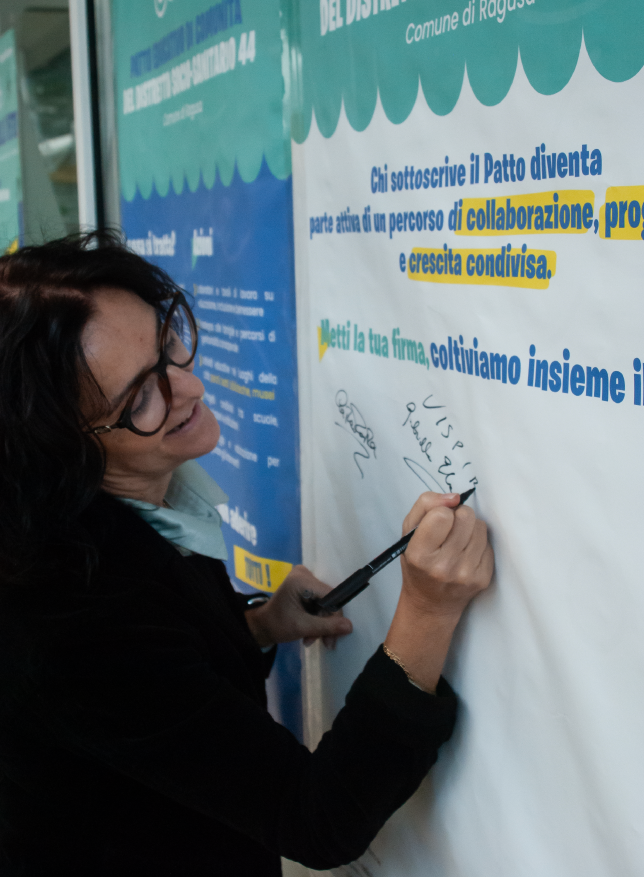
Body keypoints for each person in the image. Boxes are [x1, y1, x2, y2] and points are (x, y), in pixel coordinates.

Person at [0, 232, 494, 876]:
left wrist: (255, 624)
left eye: (168, 343)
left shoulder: (125, 509)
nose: (190, 385)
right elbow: (316, 819)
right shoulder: (66, 618)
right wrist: (427, 613)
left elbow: (158, 660)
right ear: (60, 452)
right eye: (141, 397)